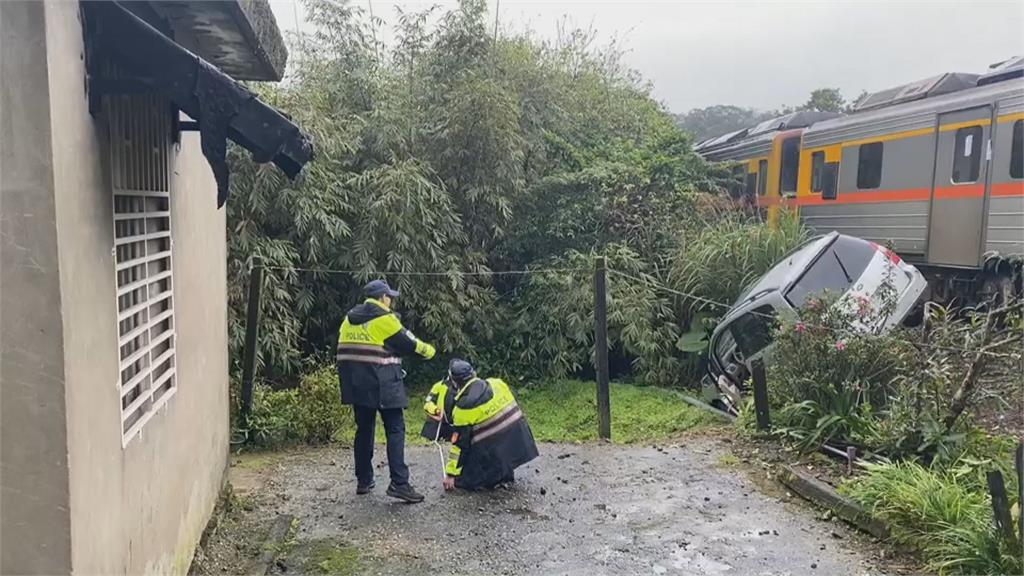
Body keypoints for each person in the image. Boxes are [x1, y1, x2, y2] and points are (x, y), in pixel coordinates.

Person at [337, 279, 436, 503]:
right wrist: (430, 351)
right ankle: (399, 483)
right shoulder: (385, 319)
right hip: (382, 384)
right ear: (383, 298)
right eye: (390, 297)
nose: (391, 301)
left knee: (364, 429)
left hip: (355, 384)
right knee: (395, 429)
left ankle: (363, 480)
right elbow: (410, 344)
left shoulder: (348, 318)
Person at [432, 359, 539, 491]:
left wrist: (450, 474)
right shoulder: (497, 383)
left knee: (465, 480)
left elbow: (460, 446)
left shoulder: (462, 407)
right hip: (521, 445)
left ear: (454, 382)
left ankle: (491, 476)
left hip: (494, 453)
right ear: (474, 373)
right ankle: (505, 472)